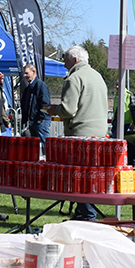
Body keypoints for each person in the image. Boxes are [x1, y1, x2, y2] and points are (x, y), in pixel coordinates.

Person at [48, 44, 109, 220]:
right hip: (99, 133)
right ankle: (82, 213)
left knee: (80, 177)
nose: (64, 64)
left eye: (65, 60)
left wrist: (53, 109)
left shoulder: (73, 79)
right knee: (89, 176)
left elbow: (68, 110)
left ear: (75, 60)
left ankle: (87, 215)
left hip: (80, 133)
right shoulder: (97, 76)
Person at [19, 63, 51, 144]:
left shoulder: (41, 86)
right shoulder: (28, 88)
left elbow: (45, 104)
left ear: (33, 72)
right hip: (33, 122)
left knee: (44, 145)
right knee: (34, 146)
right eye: (24, 73)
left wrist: (40, 120)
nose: (25, 76)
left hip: (40, 122)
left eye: (27, 73)